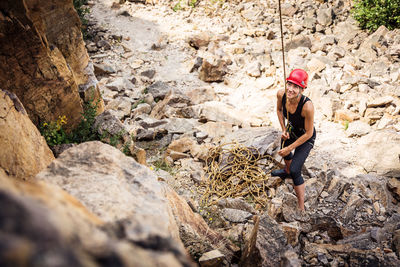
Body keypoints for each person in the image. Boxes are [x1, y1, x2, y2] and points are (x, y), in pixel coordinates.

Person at [271, 69, 316, 213]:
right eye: (289, 84)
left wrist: (291, 148)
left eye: (296, 86)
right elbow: (279, 111)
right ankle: (287, 170)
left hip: (305, 136)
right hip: (291, 130)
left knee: (297, 169)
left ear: (302, 89)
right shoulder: (281, 94)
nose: (290, 89)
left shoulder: (307, 107)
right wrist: (284, 129)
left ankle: (301, 206)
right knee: (283, 150)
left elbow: (309, 133)